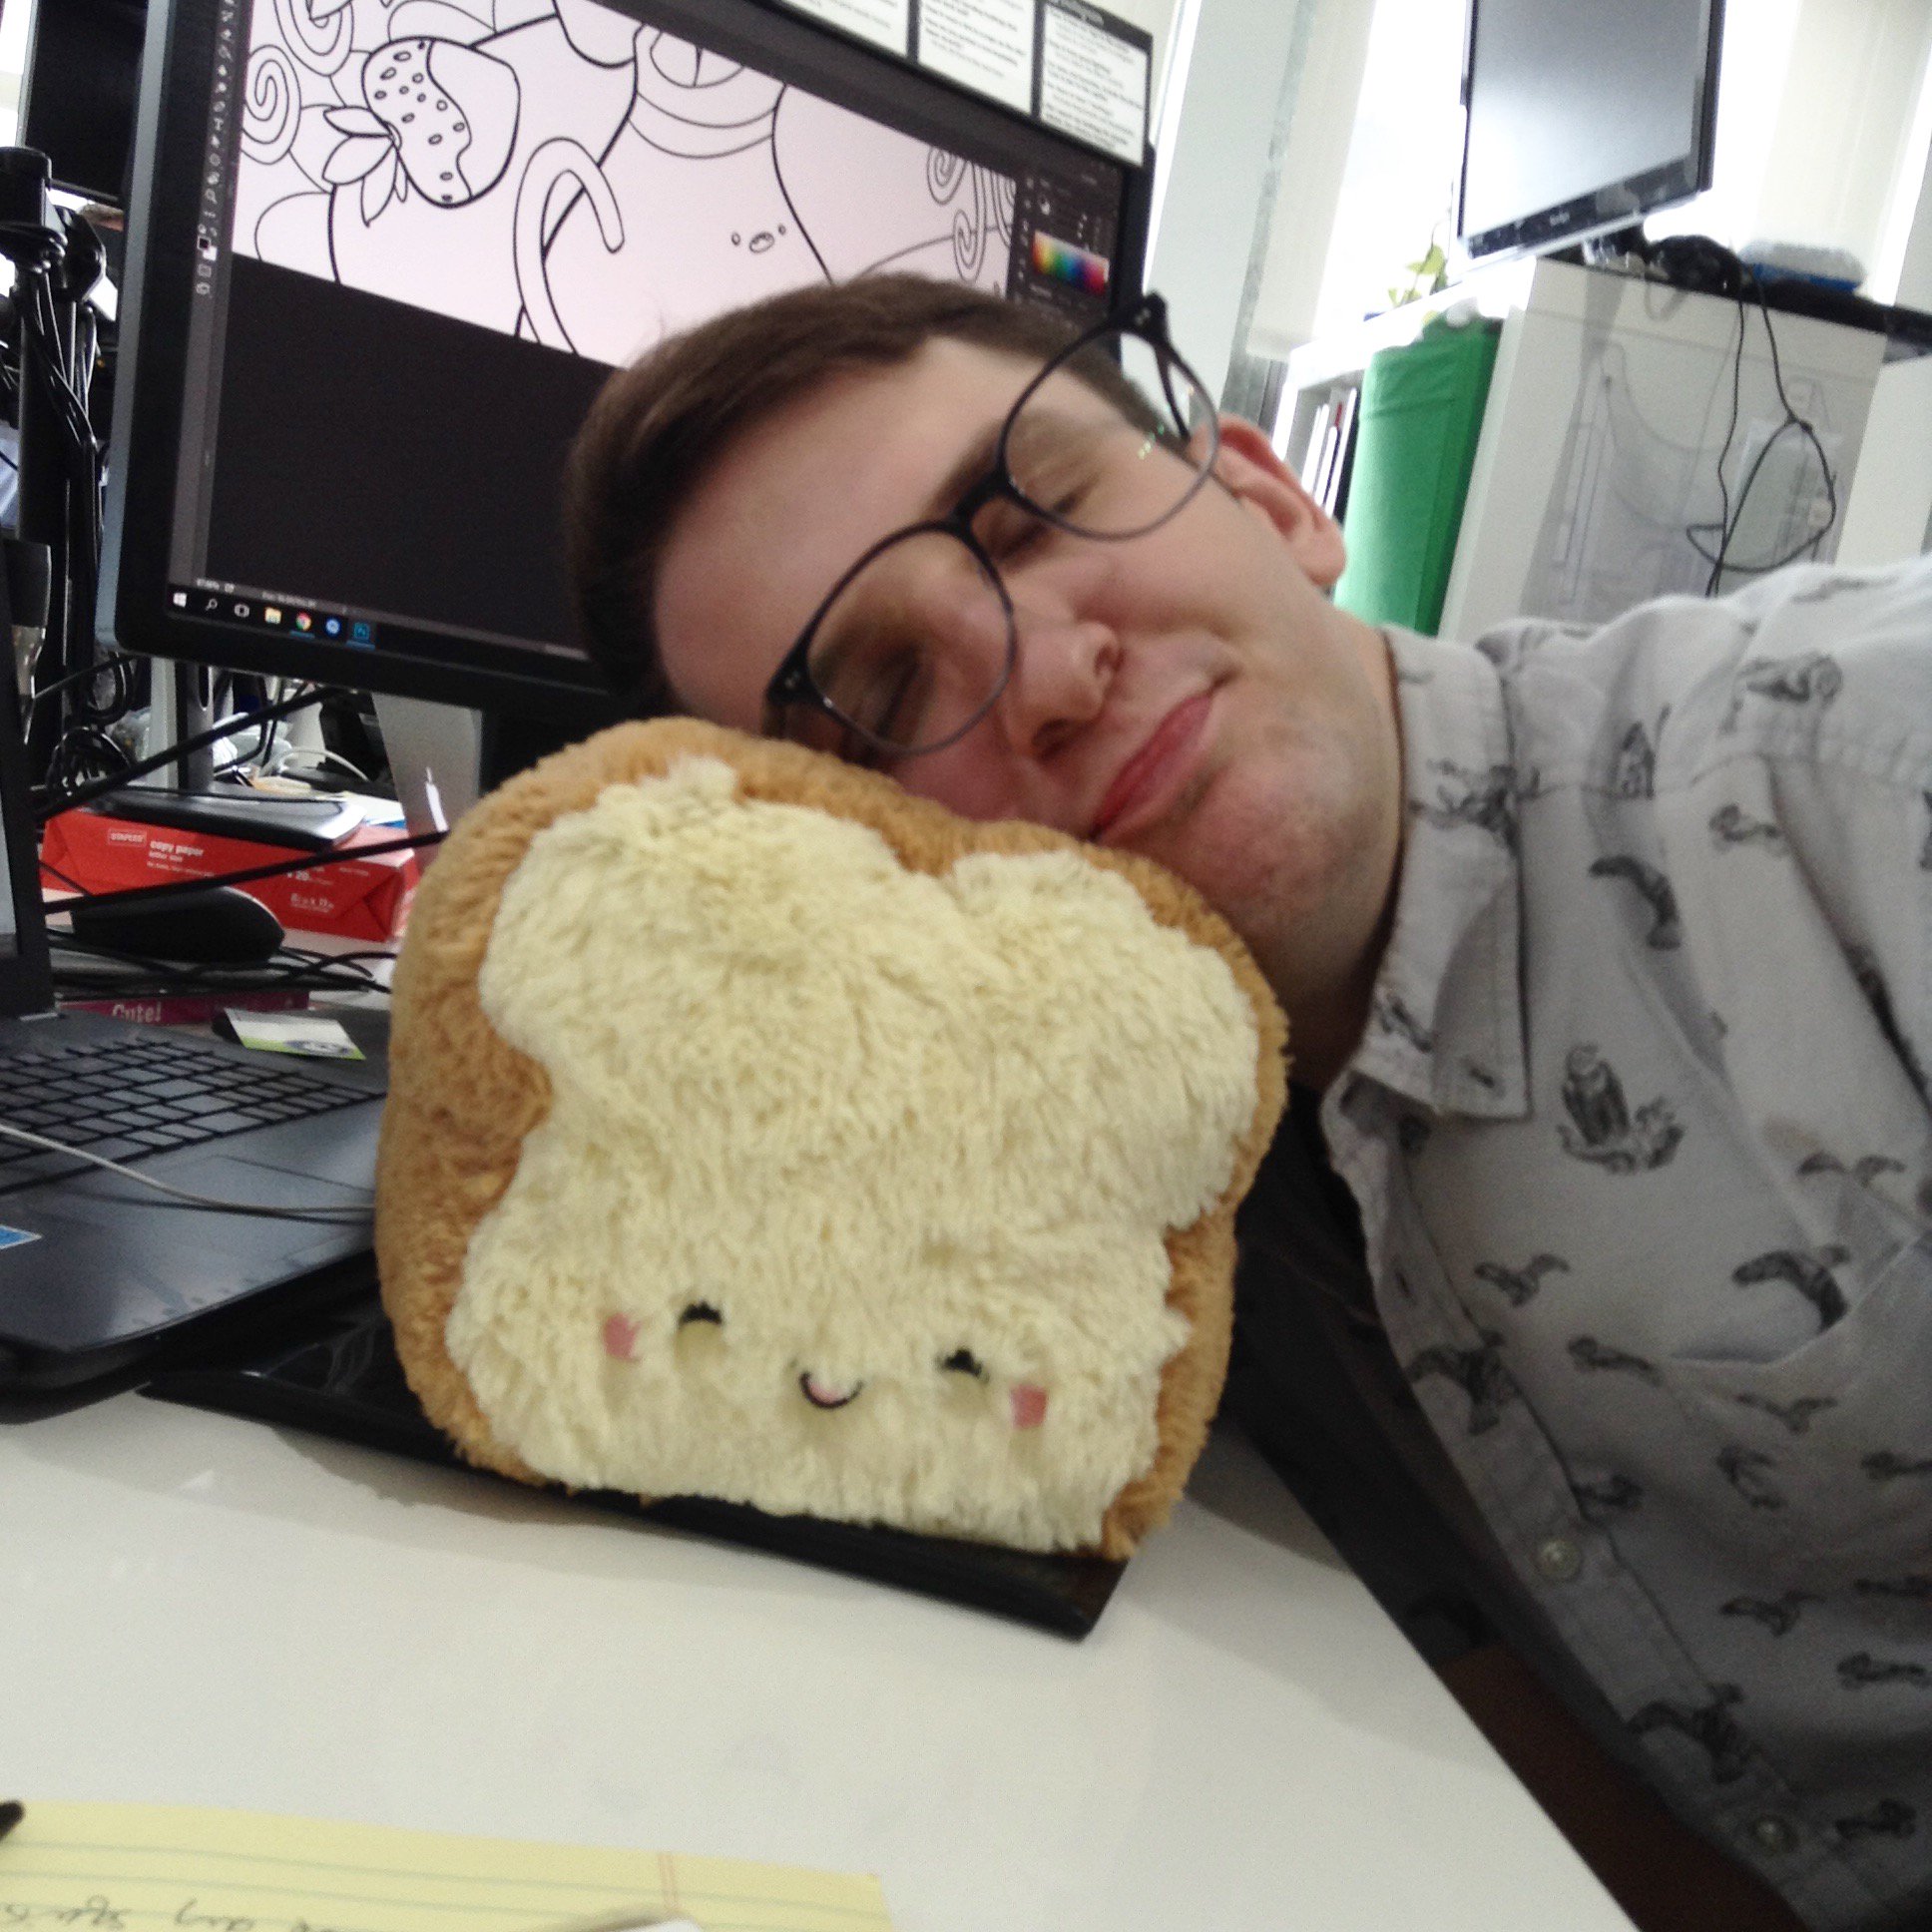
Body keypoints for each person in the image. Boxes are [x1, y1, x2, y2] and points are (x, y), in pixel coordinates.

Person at [562, 272, 1932, 1932]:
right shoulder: (1106, 1195)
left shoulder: (1862, 778)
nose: (1045, 675)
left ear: (1276, 501)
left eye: (1036, 511)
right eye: (886, 704)